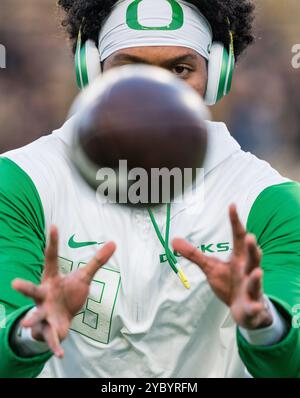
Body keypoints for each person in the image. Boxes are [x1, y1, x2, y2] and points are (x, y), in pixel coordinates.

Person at [0, 0, 299, 378]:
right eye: (130, 69)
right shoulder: (22, 182)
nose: (154, 95)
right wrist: (28, 334)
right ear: (91, 71)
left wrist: (266, 326)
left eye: (179, 69)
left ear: (217, 75)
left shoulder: (269, 200)